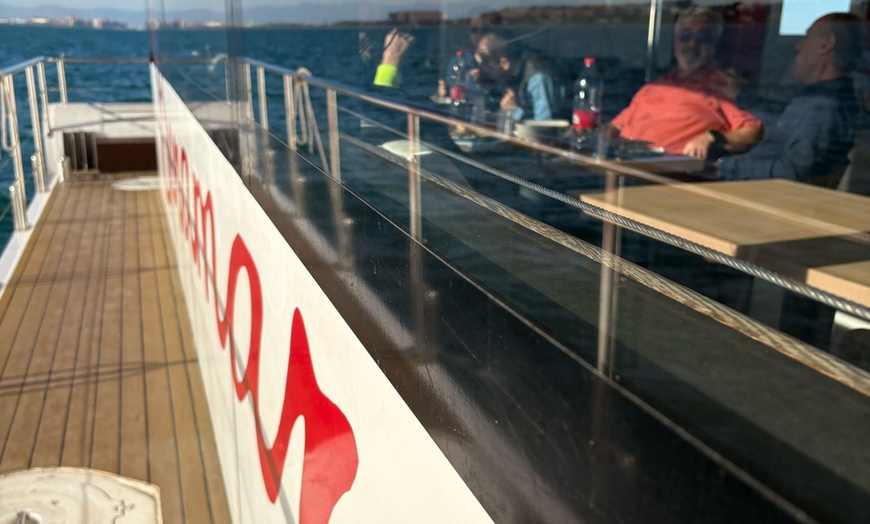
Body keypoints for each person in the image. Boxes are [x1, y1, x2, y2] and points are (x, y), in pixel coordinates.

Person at [717, 12, 863, 184]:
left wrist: (725, 165)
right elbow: (785, 119)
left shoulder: (825, 106)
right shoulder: (818, 100)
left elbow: (793, 172)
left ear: (826, 44)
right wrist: (740, 96)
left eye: (807, 37)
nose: (798, 46)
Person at [611, 7, 762, 159]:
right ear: (675, 43)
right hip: (623, 162)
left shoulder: (720, 85)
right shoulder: (654, 87)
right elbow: (616, 126)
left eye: (703, 37)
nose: (692, 44)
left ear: (714, 45)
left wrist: (713, 137)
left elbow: (753, 131)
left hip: (665, 172)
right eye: (685, 35)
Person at [472, 32, 561, 121]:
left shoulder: (538, 78)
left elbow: (544, 124)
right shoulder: (510, 73)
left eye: (489, 69)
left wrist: (514, 111)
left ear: (504, 63)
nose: (487, 73)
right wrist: (485, 85)